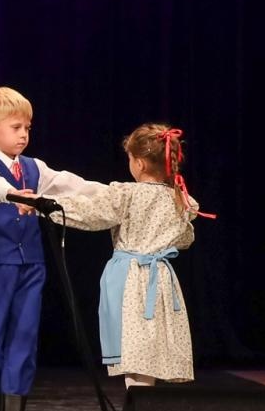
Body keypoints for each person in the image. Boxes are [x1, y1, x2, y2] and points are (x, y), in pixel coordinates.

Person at [0, 86, 94, 411]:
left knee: (23, 343)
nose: (24, 134)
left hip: (31, 267)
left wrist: (116, 193)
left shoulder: (34, 168)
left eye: (28, 127)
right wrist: (15, 195)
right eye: (16, 126)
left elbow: (74, 184)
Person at [52, 123, 210, 387]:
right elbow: (185, 239)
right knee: (147, 354)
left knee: (134, 357)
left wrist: (45, 207)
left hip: (131, 280)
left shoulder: (128, 194)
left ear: (140, 163)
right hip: (160, 281)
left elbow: (90, 214)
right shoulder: (179, 198)